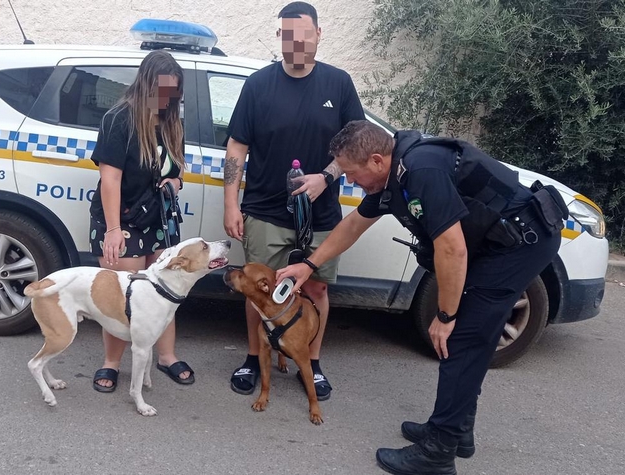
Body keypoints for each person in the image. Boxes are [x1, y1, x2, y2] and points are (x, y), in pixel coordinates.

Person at [277, 120, 564, 474]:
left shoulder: (422, 170)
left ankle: (438, 453)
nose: (350, 181)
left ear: (378, 161)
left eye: (351, 174)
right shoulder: (392, 177)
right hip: (497, 242)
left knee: (460, 340)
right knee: (465, 340)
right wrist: (307, 265)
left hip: (518, 243)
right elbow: (353, 225)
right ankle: (457, 432)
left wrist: (444, 317)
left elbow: (452, 249)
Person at [223, 1, 366, 401]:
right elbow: (237, 146)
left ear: (319, 35)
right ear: (279, 38)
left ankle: (312, 363)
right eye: (288, 35)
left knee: (317, 291)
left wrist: (327, 177)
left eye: (304, 34)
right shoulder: (258, 85)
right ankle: (254, 358)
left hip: (321, 215)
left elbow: (356, 144)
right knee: (258, 291)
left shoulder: (339, 84)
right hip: (266, 209)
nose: (296, 42)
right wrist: (231, 204)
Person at [88, 50, 193, 393]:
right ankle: (111, 363)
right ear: (145, 83)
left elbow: (177, 172)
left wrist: (175, 182)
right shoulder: (119, 119)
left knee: (166, 292)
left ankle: (166, 355)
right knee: (123, 297)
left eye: (172, 92)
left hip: (159, 219)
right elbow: (111, 180)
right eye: (161, 90)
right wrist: (114, 229)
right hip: (124, 218)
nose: (166, 98)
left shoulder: (171, 121)